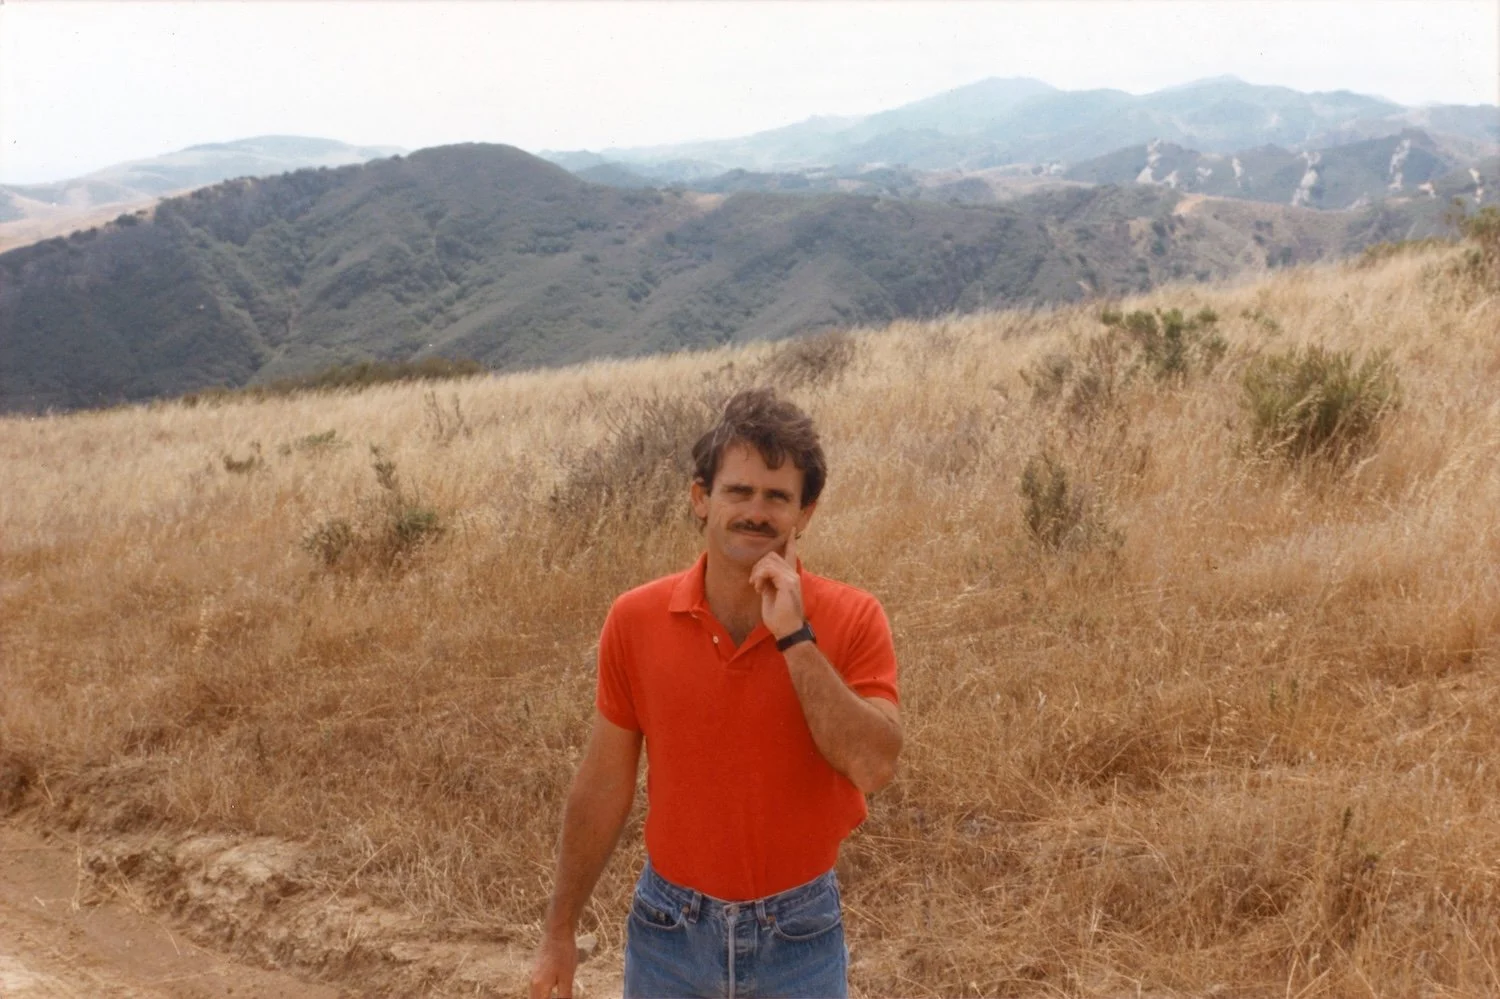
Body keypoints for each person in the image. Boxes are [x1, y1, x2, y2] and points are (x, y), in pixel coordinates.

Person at [529, 387, 902, 999]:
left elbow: (874, 763)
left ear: (805, 514)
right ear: (701, 499)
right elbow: (603, 785)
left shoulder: (854, 617)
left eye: (778, 497)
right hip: (668, 932)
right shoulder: (635, 618)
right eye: (739, 491)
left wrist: (796, 638)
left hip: (800, 935)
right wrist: (559, 931)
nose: (756, 511)